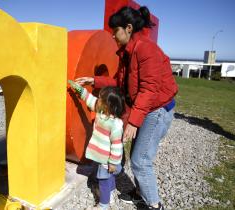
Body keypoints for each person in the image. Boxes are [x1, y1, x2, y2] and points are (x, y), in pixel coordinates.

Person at [75, 6, 178, 210]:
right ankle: (140, 193)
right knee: (137, 156)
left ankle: (155, 205)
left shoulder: (146, 49)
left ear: (128, 28)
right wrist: (94, 80)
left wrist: (133, 122)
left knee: (140, 160)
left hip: (157, 110)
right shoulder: (128, 52)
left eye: (115, 31)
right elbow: (120, 83)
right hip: (147, 107)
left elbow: (149, 89)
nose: (113, 35)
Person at [69, 80, 125, 210]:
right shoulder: (100, 111)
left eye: (100, 98)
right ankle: (110, 190)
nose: (97, 99)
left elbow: (117, 146)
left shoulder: (116, 124)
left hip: (107, 160)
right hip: (101, 156)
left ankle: (103, 204)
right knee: (107, 177)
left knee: (103, 180)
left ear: (108, 105)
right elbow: (89, 99)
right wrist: (79, 90)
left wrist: (113, 163)